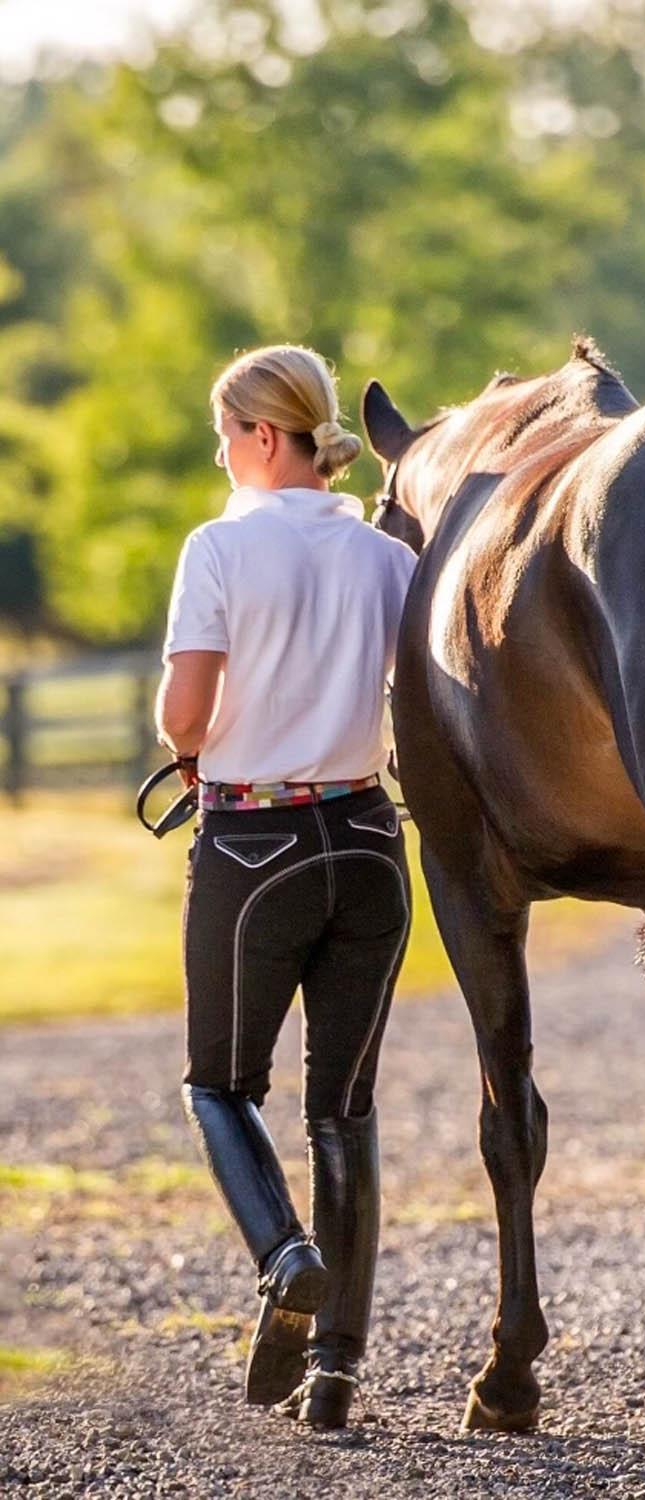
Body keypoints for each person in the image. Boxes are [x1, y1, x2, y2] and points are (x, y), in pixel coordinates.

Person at [155, 344, 417, 1429]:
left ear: (264, 436)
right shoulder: (389, 560)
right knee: (342, 1111)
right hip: (366, 840)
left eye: (226, 435)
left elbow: (184, 716)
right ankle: (336, 1374)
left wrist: (190, 746)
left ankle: (285, 1253)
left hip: (253, 843)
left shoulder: (219, 548)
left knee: (219, 1087)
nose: (222, 455)